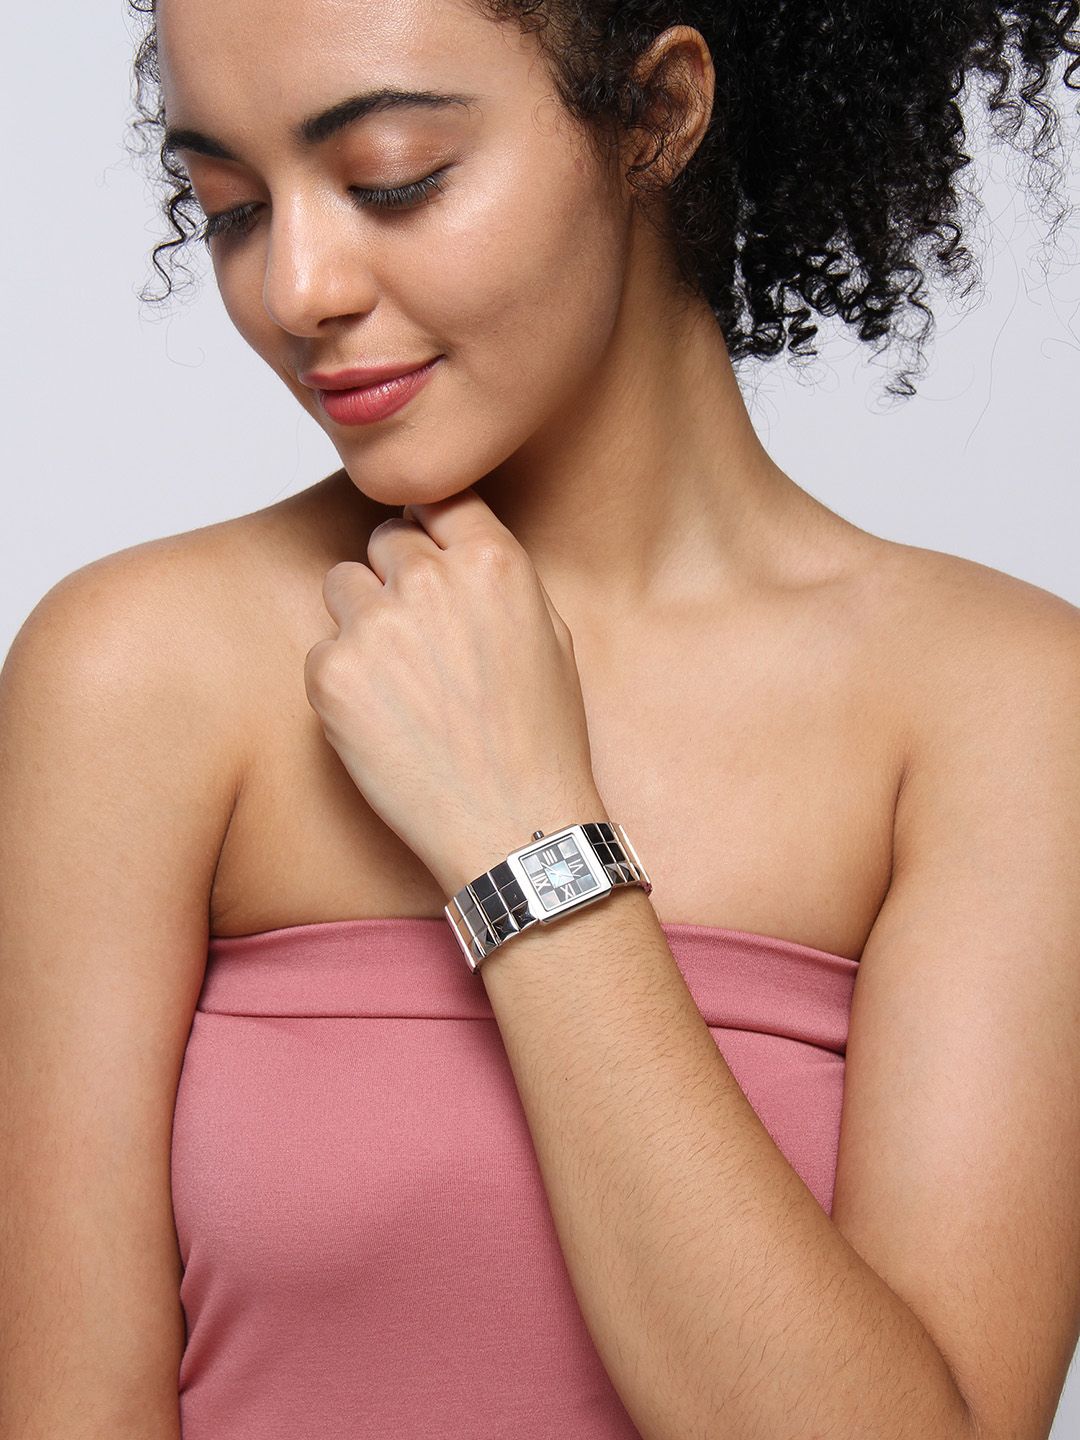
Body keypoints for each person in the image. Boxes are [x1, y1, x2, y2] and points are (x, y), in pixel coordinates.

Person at [2, 2, 1079, 1437]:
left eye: (393, 179)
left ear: (657, 115)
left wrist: (526, 838)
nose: (299, 287)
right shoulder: (141, 677)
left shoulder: (1003, 710)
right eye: (233, 207)